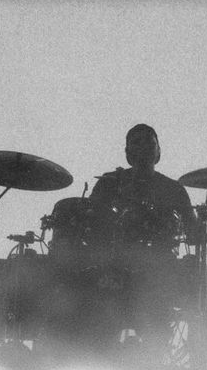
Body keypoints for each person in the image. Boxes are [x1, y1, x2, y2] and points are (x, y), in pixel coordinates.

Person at [78, 124, 198, 352]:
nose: (143, 147)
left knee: (188, 305)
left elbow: (193, 236)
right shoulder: (109, 183)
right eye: (137, 142)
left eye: (149, 143)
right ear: (127, 153)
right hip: (113, 267)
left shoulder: (173, 190)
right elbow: (91, 226)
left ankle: (158, 357)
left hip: (159, 273)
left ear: (158, 151)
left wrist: (201, 225)